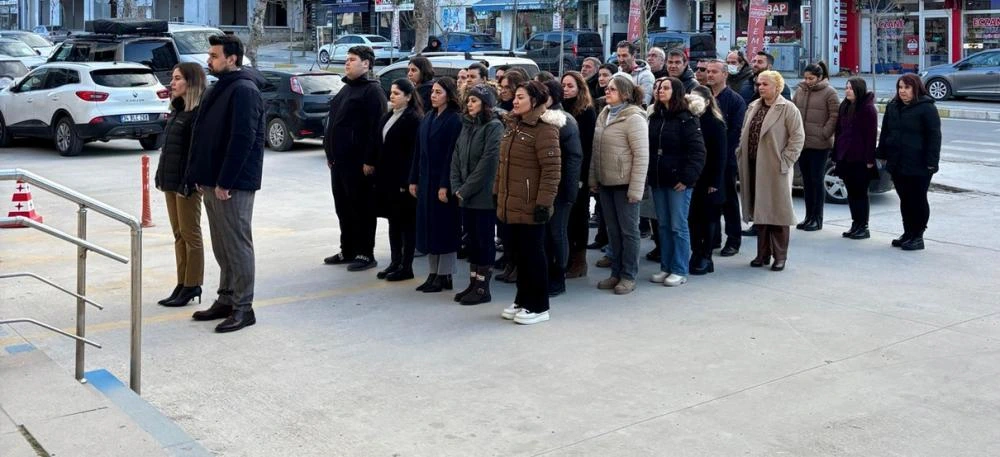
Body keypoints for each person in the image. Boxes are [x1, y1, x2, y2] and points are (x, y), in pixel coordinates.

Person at [186, 34, 265, 333]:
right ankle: (227, 298)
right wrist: (199, 175)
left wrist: (225, 181)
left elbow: (243, 139)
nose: (209, 60)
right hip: (212, 180)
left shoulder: (244, 90)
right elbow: (204, 134)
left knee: (237, 245)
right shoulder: (221, 87)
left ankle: (244, 308)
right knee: (222, 245)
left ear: (232, 58)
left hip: (232, 184)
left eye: (214, 55)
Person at [496, 80, 562, 325]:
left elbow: (552, 171)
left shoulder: (545, 129)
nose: (515, 101)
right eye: (515, 97)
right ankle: (522, 299)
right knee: (519, 255)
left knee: (534, 255)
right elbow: (502, 166)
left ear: (534, 101)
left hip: (531, 204)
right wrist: (497, 193)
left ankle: (539, 305)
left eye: (521, 97)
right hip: (510, 202)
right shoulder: (514, 125)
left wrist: (544, 204)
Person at [323, 45, 387, 271]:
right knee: (343, 207)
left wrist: (370, 160)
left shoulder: (372, 91)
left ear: (366, 64)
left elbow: (376, 130)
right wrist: (329, 153)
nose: (347, 63)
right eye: (347, 59)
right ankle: (347, 249)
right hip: (338, 163)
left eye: (352, 59)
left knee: (361, 208)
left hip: (359, 164)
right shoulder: (345, 89)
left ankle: (365, 253)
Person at [736, 71, 805, 272]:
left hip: (775, 168)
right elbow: (744, 132)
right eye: (759, 84)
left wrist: (785, 161)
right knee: (761, 210)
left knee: (778, 212)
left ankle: (780, 256)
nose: (761, 87)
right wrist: (740, 151)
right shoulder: (753, 106)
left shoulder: (787, 108)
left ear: (777, 86)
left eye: (765, 84)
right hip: (753, 165)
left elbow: (797, 138)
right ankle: (762, 254)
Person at [589, 74, 649, 295]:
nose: (607, 91)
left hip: (625, 184)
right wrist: (593, 178)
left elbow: (642, 156)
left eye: (612, 89)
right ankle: (615, 272)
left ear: (624, 93)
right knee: (613, 232)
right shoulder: (604, 114)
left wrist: (636, 189)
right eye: (607, 88)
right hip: (606, 182)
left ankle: (628, 275)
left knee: (629, 232)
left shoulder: (634, 118)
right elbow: (597, 149)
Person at [155, 62, 207, 307]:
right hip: (171, 180)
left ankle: (193, 283)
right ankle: (182, 282)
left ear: (191, 83)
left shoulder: (197, 114)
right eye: (172, 78)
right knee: (178, 235)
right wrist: (161, 175)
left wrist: (190, 180)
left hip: (186, 184)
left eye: (177, 79)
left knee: (190, 234)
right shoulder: (177, 109)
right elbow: (170, 150)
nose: (172, 83)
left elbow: (197, 153)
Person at [647, 77, 706, 287]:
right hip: (658, 178)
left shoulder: (686, 118)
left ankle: (680, 269)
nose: (660, 91)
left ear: (676, 92)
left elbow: (698, 152)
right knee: (662, 225)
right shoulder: (655, 116)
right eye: (658, 88)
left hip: (678, 181)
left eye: (665, 88)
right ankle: (666, 266)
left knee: (677, 225)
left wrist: (687, 178)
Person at [450, 84, 503, 304]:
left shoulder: (494, 127)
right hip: (465, 195)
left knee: (483, 241)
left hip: (482, 196)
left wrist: (466, 188)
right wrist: (456, 186)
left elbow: (488, 163)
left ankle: (483, 288)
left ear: (486, 104)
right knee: (471, 241)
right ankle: (472, 282)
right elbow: (456, 157)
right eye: (468, 100)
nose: (469, 104)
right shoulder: (467, 125)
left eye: (474, 100)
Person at [410, 77, 464, 292]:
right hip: (426, 181)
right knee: (429, 229)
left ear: (449, 96)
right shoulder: (428, 117)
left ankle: (445, 275)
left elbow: (452, 156)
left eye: (438, 92)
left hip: (442, 183)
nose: (433, 95)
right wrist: (413, 178)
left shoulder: (454, 120)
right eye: (432, 91)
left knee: (445, 229)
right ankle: (433, 273)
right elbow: (418, 152)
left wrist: (445, 184)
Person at [876, 74, 941, 251]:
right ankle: (908, 232)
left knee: (917, 199)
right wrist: (881, 153)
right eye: (900, 87)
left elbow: (934, 137)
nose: (902, 91)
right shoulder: (893, 107)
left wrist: (932, 162)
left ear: (916, 88)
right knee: (905, 199)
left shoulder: (926, 108)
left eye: (907, 87)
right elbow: (886, 132)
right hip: (897, 162)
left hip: (919, 163)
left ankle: (918, 236)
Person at [374, 79, 422, 282]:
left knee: (406, 224)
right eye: (391, 93)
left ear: (409, 97)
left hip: (403, 180)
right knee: (394, 222)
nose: (392, 96)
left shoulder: (413, 119)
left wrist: (408, 180)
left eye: (397, 93)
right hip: (388, 179)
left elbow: (413, 154)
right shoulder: (389, 116)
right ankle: (395, 261)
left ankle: (406, 266)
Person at [541, 79, 582, 297]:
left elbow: (573, 158)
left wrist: (568, 191)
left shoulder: (564, 121)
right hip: (543, 187)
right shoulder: (538, 118)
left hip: (559, 188)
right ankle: (547, 273)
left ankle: (558, 277)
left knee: (557, 233)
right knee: (545, 234)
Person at [704, 59, 747, 256]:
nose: (710, 75)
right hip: (705, 158)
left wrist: (723, 155)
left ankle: (733, 239)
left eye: (714, 72)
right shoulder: (702, 96)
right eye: (708, 71)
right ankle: (712, 238)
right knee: (709, 200)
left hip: (726, 158)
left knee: (728, 200)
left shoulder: (735, 100)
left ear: (725, 75)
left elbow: (736, 132)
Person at [792, 61, 840, 232]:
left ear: (819, 77)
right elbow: (793, 112)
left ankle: (817, 218)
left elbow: (835, 116)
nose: (807, 81)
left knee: (816, 180)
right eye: (805, 78)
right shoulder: (800, 90)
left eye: (811, 78)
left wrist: (824, 133)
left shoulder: (829, 92)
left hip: (820, 144)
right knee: (806, 182)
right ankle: (808, 217)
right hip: (802, 143)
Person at [560, 71, 598, 279]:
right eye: (564, 85)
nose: (566, 89)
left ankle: (579, 260)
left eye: (570, 86)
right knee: (566, 218)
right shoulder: (559, 108)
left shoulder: (586, 111)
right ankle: (567, 258)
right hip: (563, 170)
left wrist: (582, 176)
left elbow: (586, 146)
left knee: (579, 217)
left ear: (580, 88)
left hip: (579, 171)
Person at [687, 86, 728, 275]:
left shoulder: (715, 123)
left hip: (709, 179)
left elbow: (720, 156)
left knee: (709, 219)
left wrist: (715, 182)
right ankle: (696, 252)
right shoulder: (689, 120)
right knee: (693, 219)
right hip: (694, 177)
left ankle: (706, 255)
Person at [833, 77, 878, 240]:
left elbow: (871, 136)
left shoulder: (867, 109)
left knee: (860, 193)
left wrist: (869, 159)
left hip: (860, 159)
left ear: (858, 89)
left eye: (851, 88)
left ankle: (863, 226)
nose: (847, 91)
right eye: (846, 88)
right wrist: (836, 153)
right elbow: (839, 131)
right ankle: (855, 224)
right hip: (845, 156)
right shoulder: (845, 106)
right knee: (851, 193)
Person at [615, 40, 654, 106]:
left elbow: (644, 103)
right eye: (619, 56)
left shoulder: (646, 76)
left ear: (633, 56)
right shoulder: (617, 74)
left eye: (624, 56)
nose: (621, 59)